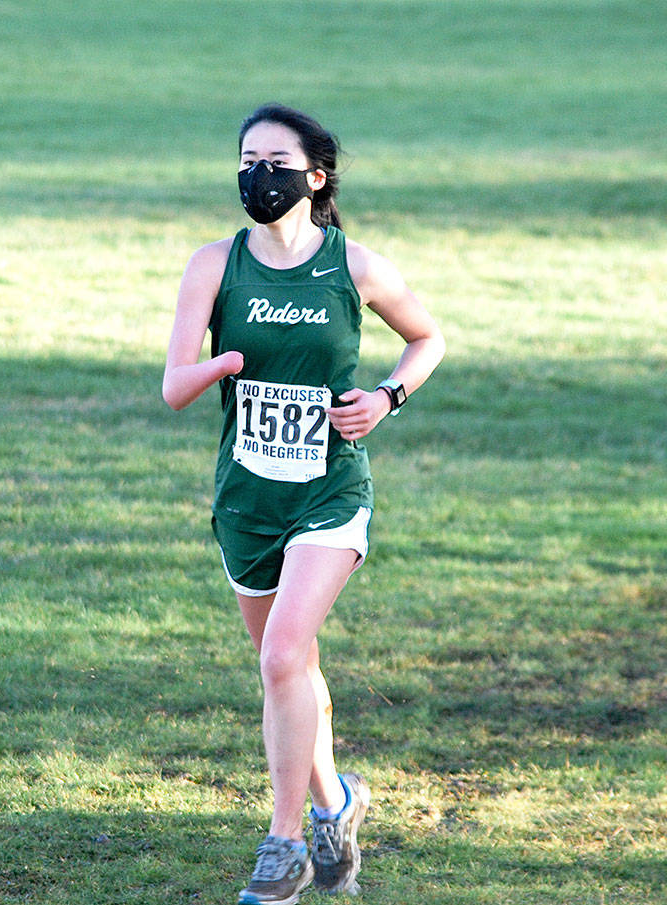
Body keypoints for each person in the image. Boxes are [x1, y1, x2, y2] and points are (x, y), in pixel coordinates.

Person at [163, 103, 445, 904]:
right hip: (247, 498)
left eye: (276, 161)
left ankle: (283, 849)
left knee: (284, 653)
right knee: (291, 669)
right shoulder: (213, 265)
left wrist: (387, 397)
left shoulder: (355, 266)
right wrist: (225, 367)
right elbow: (174, 386)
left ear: (315, 177)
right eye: (246, 158)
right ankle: (337, 803)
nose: (259, 174)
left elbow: (429, 338)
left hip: (329, 489)